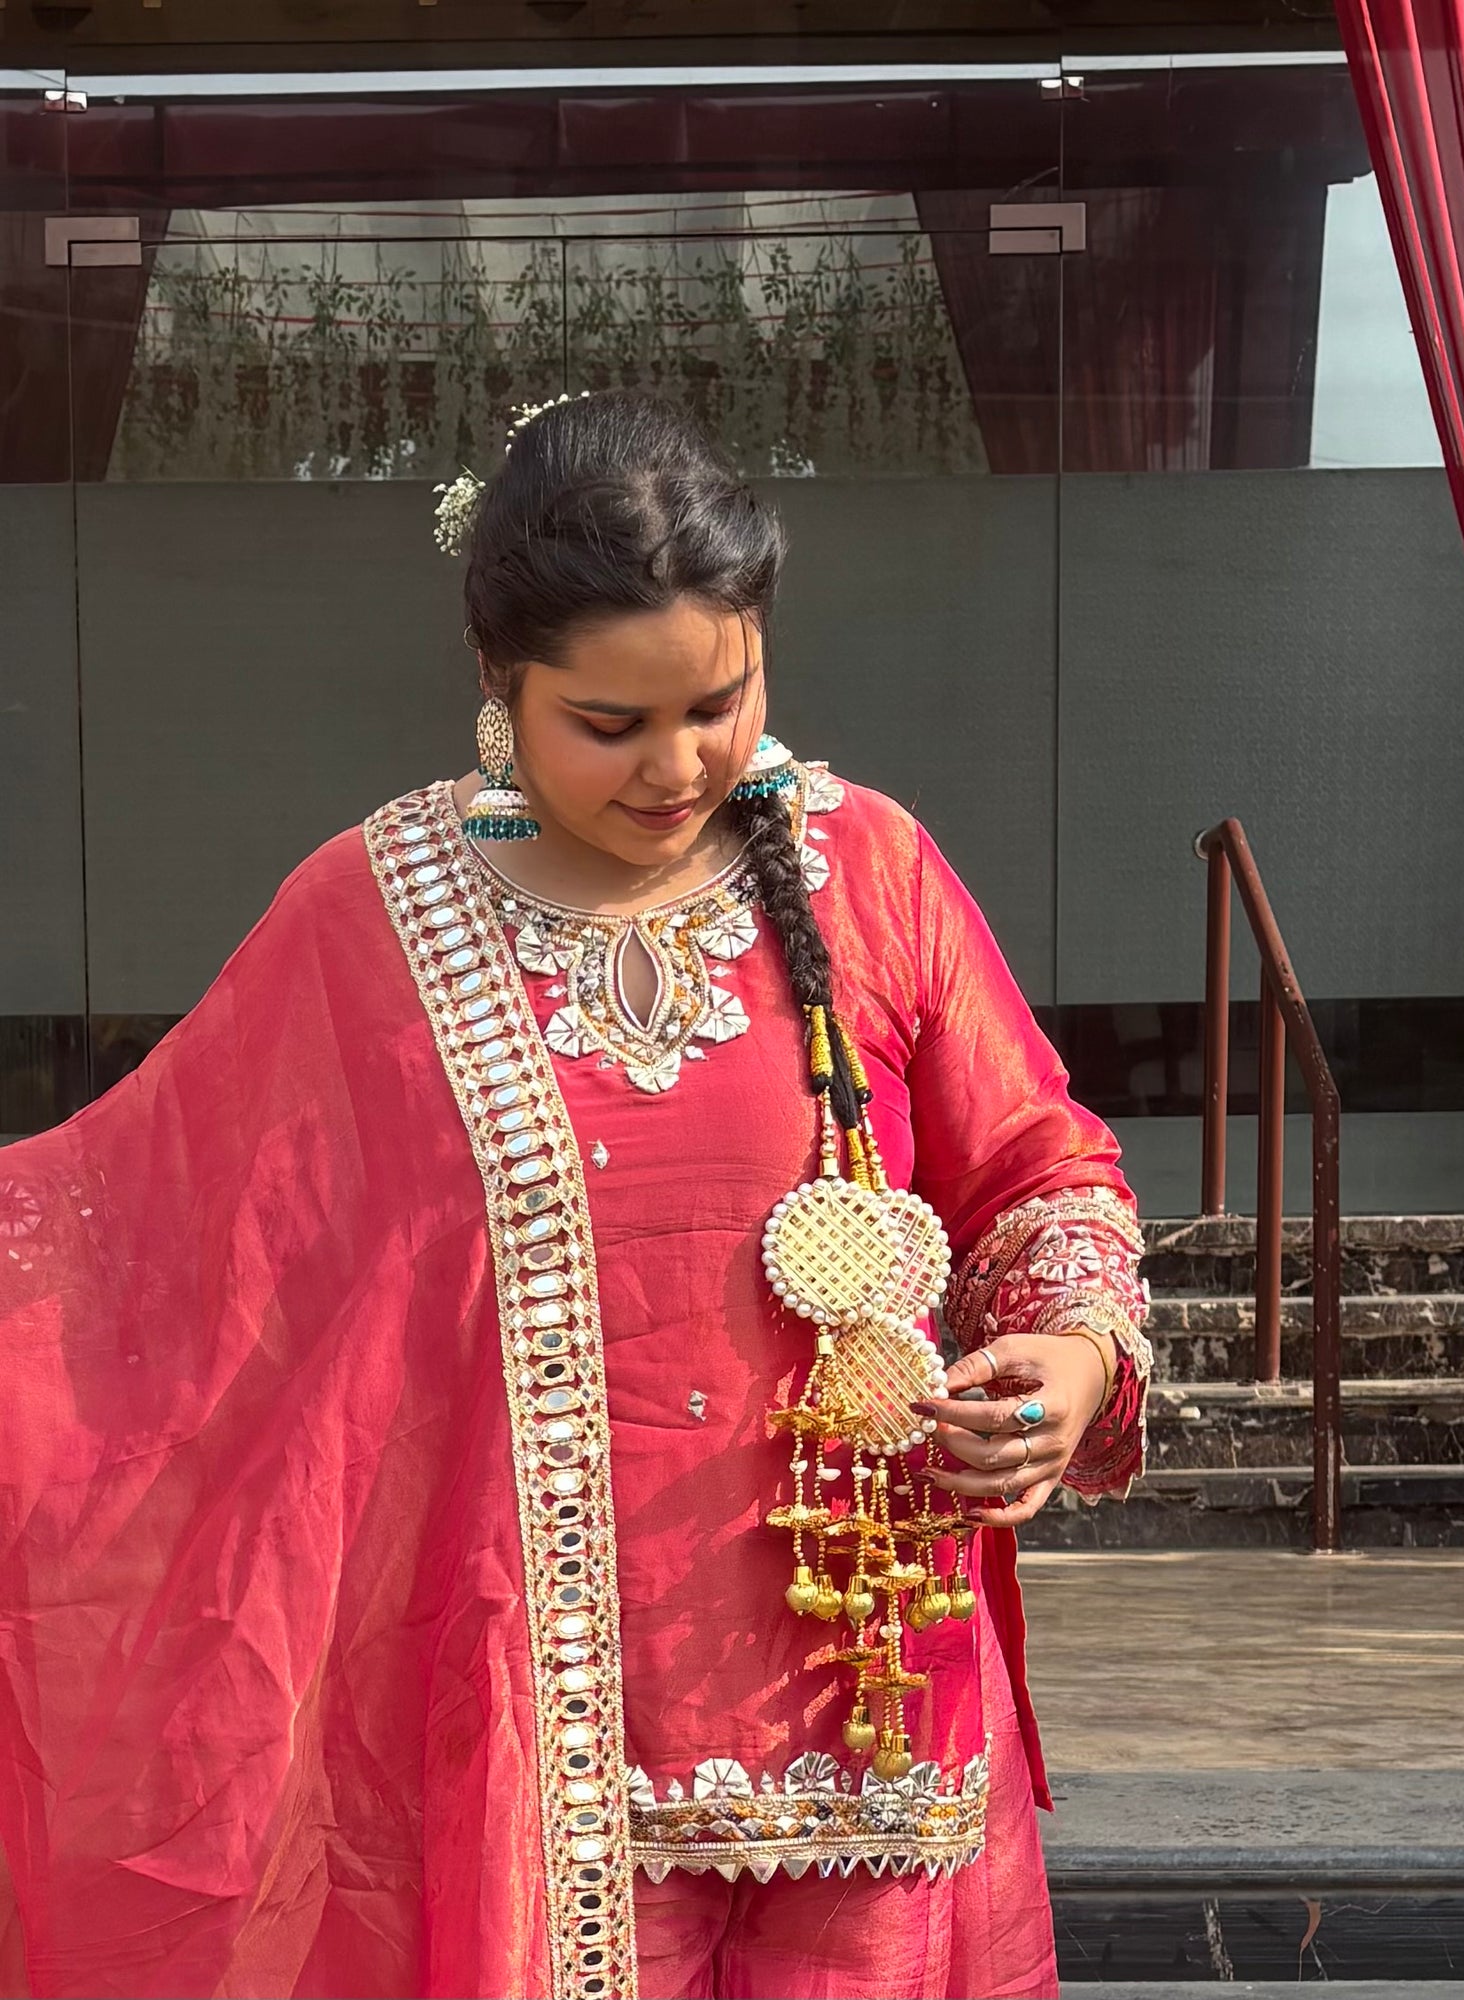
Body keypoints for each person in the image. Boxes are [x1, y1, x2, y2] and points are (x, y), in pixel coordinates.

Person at [0, 391, 1150, 2000]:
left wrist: (1073, 1353)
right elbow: (153, 1256)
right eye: (609, 724)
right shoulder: (373, 919)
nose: (679, 767)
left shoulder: (869, 869)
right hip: (524, 1733)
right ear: (497, 681)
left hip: (870, 1687)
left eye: (721, 704)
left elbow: (1042, 1169)